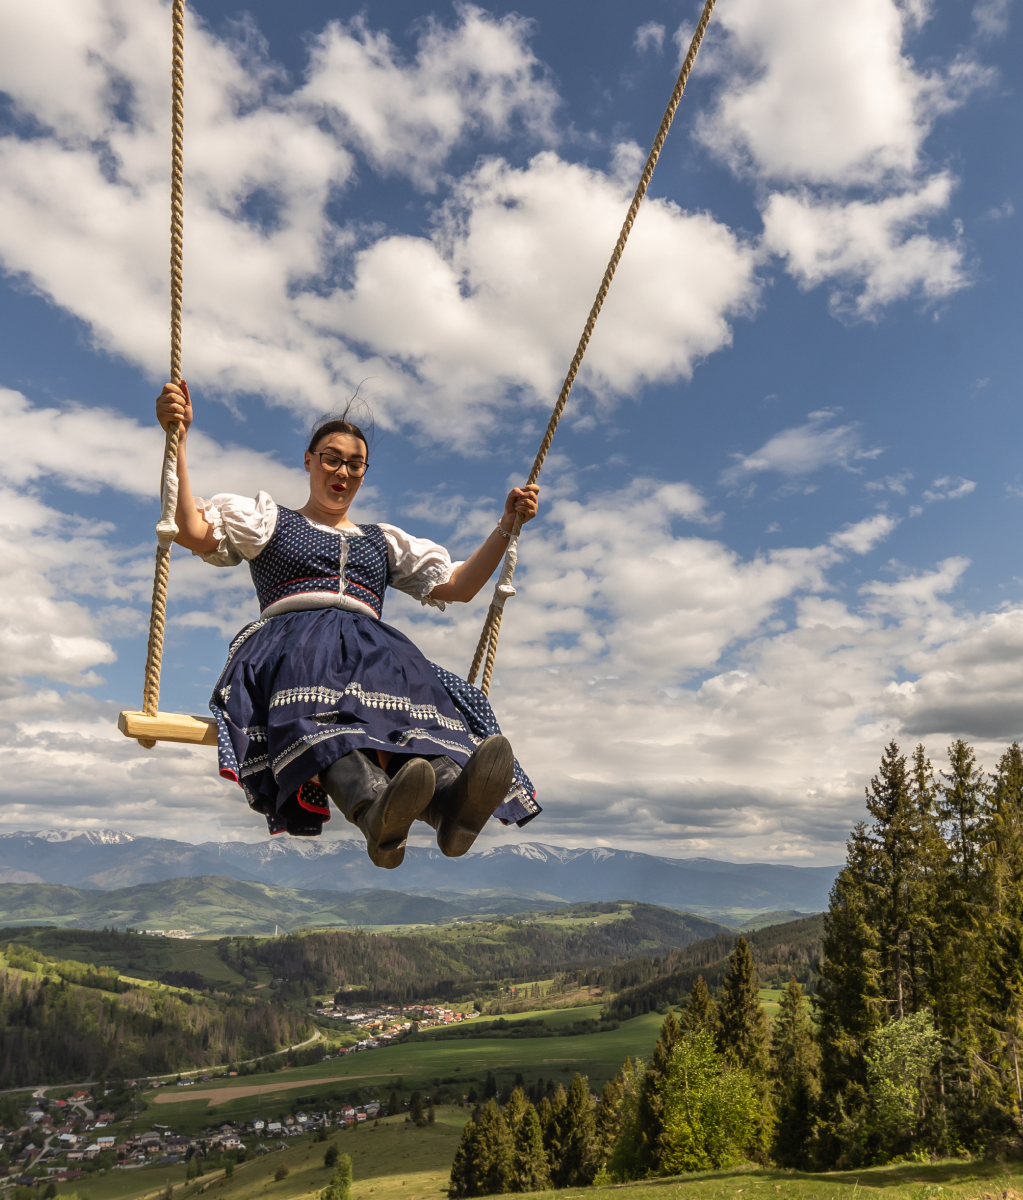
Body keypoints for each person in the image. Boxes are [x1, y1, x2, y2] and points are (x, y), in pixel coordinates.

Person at [156, 380, 540, 867]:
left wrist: (506, 526)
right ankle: (373, 805)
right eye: (331, 458)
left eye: (354, 464)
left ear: (364, 473)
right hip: (293, 644)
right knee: (324, 708)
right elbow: (192, 531)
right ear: (309, 460)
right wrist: (179, 438)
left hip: (374, 652)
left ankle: (450, 804)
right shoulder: (270, 521)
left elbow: (459, 586)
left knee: (412, 710)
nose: (343, 471)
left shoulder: (383, 541)